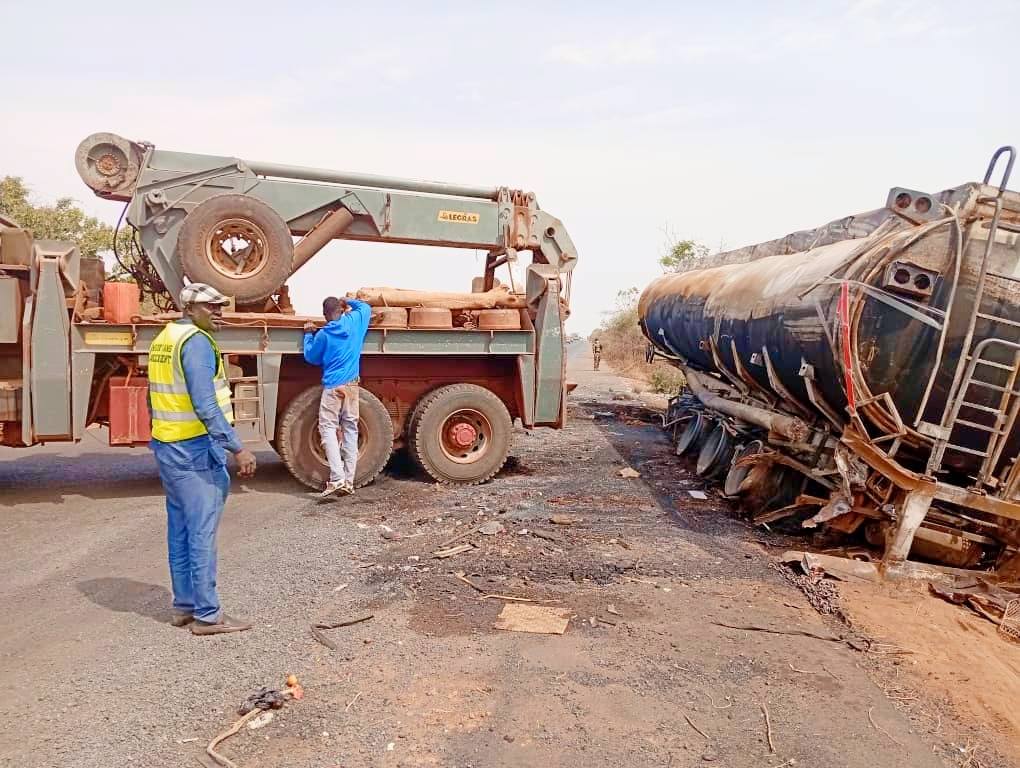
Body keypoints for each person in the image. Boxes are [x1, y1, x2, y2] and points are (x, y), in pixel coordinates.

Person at [148, 283, 257, 636]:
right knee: (201, 532)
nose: (218, 312)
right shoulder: (195, 343)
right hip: (193, 449)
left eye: (220, 306)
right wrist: (237, 447)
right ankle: (208, 615)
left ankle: (184, 606)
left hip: (168, 446)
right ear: (190, 309)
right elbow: (205, 405)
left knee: (180, 529)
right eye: (211, 307)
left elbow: (154, 397)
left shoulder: (166, 337)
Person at [303, 296, 372, 498]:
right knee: (350, 430)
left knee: (327, 429)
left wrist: (308, 335)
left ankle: (337, 478)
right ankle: (348, 481)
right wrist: (347, 299)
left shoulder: (323, 334)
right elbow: (365, 306)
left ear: (325, 315)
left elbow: (311, 357)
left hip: (333, 387)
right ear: (341, 310)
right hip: (352, 386)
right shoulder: (355, 321)